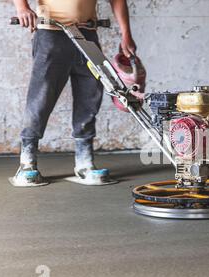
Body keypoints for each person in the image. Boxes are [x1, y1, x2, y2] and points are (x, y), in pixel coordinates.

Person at [11, 0, 137, 186]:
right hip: (51, 34)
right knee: (41, 98)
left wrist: (126, 34)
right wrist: (22, 8)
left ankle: (84, 162)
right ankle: (27, 162)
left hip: (87, 34)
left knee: (90, 95)